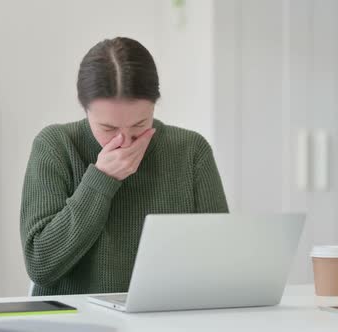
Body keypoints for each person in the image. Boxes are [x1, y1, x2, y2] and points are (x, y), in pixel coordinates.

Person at [20, 37, 228, 296]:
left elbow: (220, 262)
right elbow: (41, 265)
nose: (125, 140)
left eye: (140, 124)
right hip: (77, 321)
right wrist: (100, 179)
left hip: (167, 318)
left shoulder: (191, 151)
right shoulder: (55, 146)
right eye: (108, 128)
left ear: (155, 104)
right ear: (85, 110)